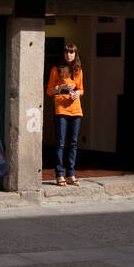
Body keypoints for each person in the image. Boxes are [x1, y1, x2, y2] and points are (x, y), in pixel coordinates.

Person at [47, 43, 84, 187]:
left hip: (75, 107)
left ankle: (71, 174)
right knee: (60, 142)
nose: (69, 55)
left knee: (73, 142)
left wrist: (77, 93)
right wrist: (62, 87)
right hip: (61, 107)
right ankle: (59, 174)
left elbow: (82, 89)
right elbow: (49, 91)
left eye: (72, 53)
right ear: (63, 54)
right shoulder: (56, 70)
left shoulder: (78, 70)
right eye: (67, 52)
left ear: (75, 54)